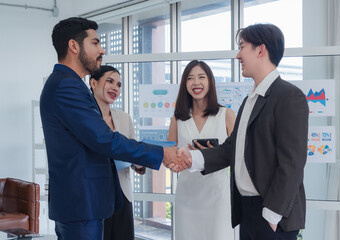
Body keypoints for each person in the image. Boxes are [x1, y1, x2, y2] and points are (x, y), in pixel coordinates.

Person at [40, 17, 187, 240]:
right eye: (96, 43)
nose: (102, 49)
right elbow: (104, 140)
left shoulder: (68, 84)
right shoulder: (66, 86)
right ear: (74, 46)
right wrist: (161, 153)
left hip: (84, 204)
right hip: (81, 205)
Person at [177, 23, 309, 240]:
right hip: (247, 211)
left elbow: (292, 163)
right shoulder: (249, 100)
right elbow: (232, 148)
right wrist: (191, 158)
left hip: (272, 214)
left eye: (242, 47)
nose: (238, 55)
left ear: (260, 50)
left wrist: (273, 213)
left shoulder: (288, 96)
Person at [167, 60, 236, 240]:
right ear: (185, 84)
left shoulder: (226, 115)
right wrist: (181, 157)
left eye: (201, 77)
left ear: (210, 82)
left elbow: (238, 154)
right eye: (190, 78)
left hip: (218, 195)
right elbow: (168, 157)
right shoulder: (178, 118)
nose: (196, 83)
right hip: (187, 196)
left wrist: (214, 154)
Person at [90, 65, 144, 240]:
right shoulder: (85, 118)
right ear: (93, 83)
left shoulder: (124, 118)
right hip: (94, 194)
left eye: (119, 85)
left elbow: (133, 152)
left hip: (122, 194)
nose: (115, 88)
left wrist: (140, 162)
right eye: (110, 81)